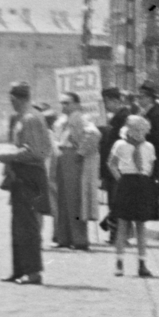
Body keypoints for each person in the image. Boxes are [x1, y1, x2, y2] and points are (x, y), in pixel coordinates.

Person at [0, 82, 53, 284]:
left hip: (29, 175)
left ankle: (33, 272)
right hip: (21, 175)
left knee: (27, 225)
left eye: (12, 100)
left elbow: (34, 151)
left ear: (17, 99)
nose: (12, 104)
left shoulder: (30, 118)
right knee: (18, 224)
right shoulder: (25, 118)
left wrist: (5, 156)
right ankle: (19, 270)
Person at [108, 113, 159, 277]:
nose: (139, 133)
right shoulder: (120, 144)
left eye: (143, 130)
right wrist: (120, 178)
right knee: (122, 224)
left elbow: (150, 166)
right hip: (127, 183)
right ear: (128, 130)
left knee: (141, 226)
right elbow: (111, 164)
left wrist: (145, 178)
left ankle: (142, 263)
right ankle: (119, 263)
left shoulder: (149, 147)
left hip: (142, 184)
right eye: (135, 129)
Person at [49, 92, 101, 251]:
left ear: (77, 104)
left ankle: (79, 239)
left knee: (74, 199)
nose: (64, 106)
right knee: (61, 199)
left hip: (72, 158)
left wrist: (81, 152)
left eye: (67, 103)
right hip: (61, 157)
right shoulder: (62, 120)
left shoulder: (80, 118)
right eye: (62, 103)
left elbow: (94, 134)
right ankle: (63, 237)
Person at [97, 86, 134, 239]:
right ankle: (117, 233)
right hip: (112, 165)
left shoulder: (123, 116)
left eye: (106, 102)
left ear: (114, 101)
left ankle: (118, 234)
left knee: (117, 200)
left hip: (117, 166)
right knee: (114, 200)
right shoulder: (116, 116)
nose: (105, 105)